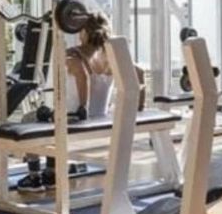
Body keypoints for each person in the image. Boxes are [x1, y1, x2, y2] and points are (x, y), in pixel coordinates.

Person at [17, 10, 145, 192]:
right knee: (51, 121)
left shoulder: (74, 55)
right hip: (100, 116)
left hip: (75, 117)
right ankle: (51, 173)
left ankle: (34, 177)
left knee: (29, 120)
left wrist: (82, 107)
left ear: (84, 32)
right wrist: (140, 106)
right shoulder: (111, 56)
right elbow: (139, 72)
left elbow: (83, 75)